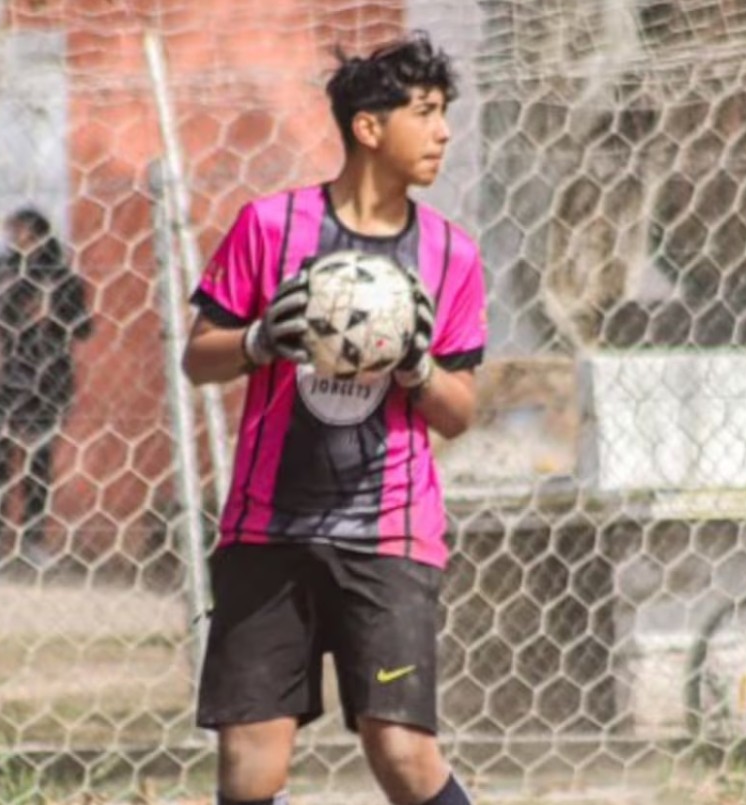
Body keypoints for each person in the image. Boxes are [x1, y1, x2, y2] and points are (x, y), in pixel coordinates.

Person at [182, 32, 486, 805]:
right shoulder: (271, 227)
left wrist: (417, 369)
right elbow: (198, 357)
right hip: (267, 527)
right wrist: (257, 340)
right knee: (251, 771)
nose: (444, 131)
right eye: (426, 113)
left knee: (404, 753)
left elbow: (460, 410)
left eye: (446, 112)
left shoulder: (451, 254)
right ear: (369, 127)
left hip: (388, 533)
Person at [0, 207, 92, 570]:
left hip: (47, 382)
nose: (9, 237)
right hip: (2, 379)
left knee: (38, 462)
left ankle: (34, 541)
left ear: (34, 234)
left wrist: (53, 317)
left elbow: (84, 328)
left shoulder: (62, 278)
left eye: (15, 230)